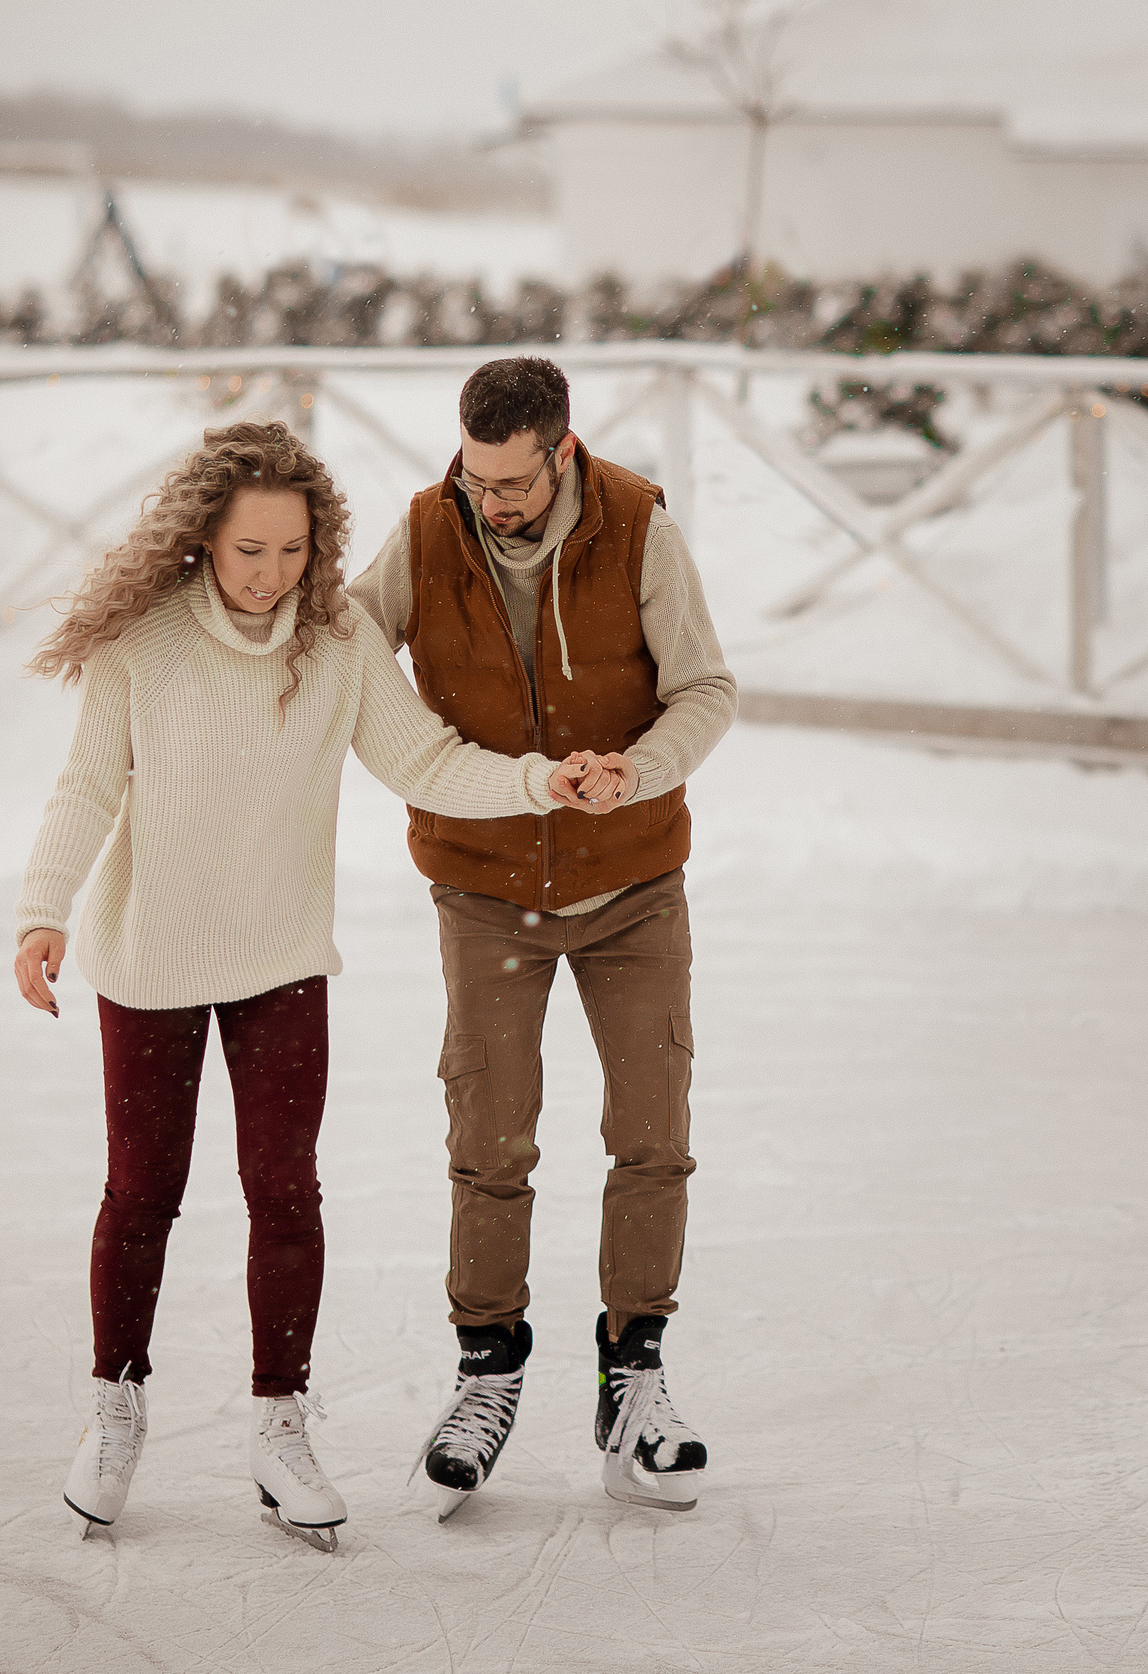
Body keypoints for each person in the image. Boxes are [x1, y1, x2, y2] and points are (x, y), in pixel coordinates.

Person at [11, 420, 590, 1551]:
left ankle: (281, 1425)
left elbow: (421, 761)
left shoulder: (335, 645)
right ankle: (115, 1411)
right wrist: (43, 912)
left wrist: (542, 782)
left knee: (286, 1195)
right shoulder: (146, 644)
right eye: (248, 553)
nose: (271, 574)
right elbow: (85, 788)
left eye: (291, 551)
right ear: (202, 545)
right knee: (144, 1196)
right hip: (153, 964)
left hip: (281, 965)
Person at [348, 357, 736, 1516]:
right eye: (475, 477)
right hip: (483, 888)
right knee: (491, 1135)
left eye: (512, 482)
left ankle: (636, 1375)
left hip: (632, 882)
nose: (491, 502)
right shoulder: (430, 529)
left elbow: (706, 689)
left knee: (652, 1133)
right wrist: (433, 755)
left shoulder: (636, 524)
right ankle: (488, 1372)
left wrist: (640, 770)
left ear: (561, 451)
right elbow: (346, 637)